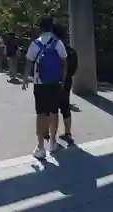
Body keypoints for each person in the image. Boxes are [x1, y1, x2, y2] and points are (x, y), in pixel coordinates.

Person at [22, 17, 67, 159]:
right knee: (54, 112)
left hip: (39, 83)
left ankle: (40, 147)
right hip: (55, 83)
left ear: (40, 28)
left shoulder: (35, 44)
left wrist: (25, 79)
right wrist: (63, 80)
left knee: (40, 114)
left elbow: (29, 62)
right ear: (51, 28)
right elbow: (65, 62)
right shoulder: (58, 43)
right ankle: (53, 142)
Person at [53, 24, 78, 144]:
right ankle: (68, 132)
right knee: (65, 106)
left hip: (55, 81)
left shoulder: (55, 49)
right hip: (67, 81)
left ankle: (52, 134)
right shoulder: (71, 50)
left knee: (53, 108)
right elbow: (74, 68)